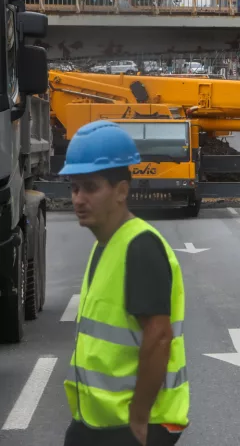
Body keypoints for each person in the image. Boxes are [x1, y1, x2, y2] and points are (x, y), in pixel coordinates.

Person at [61, 121, 188, 446]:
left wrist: (139, 417)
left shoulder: (140, 246)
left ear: (121, 191)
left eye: (91, 187)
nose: (79, 198)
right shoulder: (105, 244)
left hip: (135, 424)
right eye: (75, 188)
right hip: (100, 421)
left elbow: (159, 337)